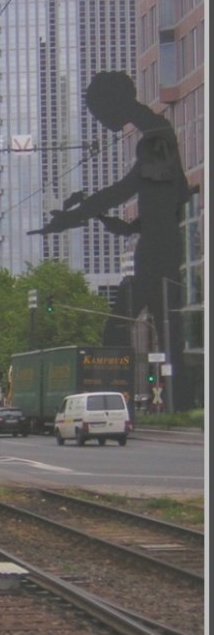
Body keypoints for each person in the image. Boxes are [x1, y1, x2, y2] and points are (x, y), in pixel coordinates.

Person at [28, 70, 193, 403]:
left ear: (115, 102)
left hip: (162, 252)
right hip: (157, 245)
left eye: (100, 113)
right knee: (161, 328)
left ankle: (119, 399)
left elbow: (125, 190)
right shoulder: (154, 133)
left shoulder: (156, 137)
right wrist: (127, 227)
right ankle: (163, 400)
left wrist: (71, 217)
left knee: (133, 329)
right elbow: (163, 199)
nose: (101, 122)